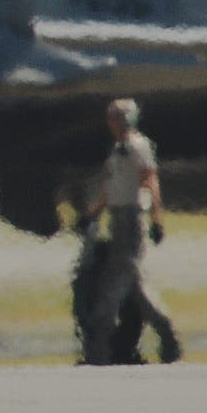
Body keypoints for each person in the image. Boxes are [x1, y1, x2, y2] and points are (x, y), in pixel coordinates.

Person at [79, 96, 182, 365]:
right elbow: (111, 187)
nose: (111, 122)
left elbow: (150, 182)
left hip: (131, 222)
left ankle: (98, 350)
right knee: (137, 288)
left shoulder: (138, 146)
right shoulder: (119, 149)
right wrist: (91, 213)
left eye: (114, 117)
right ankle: (169, 338)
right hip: (119, 219)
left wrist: (156, 219)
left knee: (112, 290)